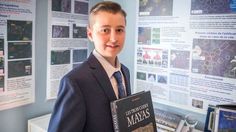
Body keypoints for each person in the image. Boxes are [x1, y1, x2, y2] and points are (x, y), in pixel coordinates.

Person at [48, 1, 131, 132]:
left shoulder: (124, 72)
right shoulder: (75, 82)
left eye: (119, 30)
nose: (114, 38)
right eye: (105, 30)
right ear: (90, 34)